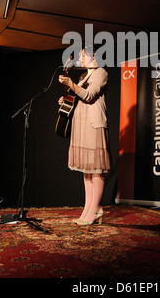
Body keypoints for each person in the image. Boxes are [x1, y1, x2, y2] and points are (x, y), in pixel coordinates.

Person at [58, 47, 111, 226]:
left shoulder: (100, 73)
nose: (80, 58)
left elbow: (89, 96)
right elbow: (77, 98)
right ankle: (89, 209)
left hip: (93, 124)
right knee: (87, 171)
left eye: (83, 55)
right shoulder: (84, 77)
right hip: (80, 125)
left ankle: (95, 209)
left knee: (96, 169)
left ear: (94, 55)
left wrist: (71, 84)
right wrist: (66, 99)